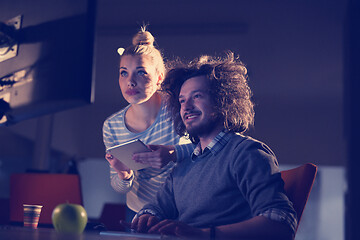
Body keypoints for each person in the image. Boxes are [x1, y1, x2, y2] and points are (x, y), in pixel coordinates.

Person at [131, 52, 298, 240]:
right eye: (182, 100)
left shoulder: (247, 153)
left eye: (197, 96)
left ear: (222, 101)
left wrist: (203, 234)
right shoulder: (184, 165)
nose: (186, 107)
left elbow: (282, 223)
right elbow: (156, 207)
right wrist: (147, 216)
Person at [102, 27, 193, 216]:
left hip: (182, 210)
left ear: (160, 77)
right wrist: (123, 174)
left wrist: (173, 153)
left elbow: (209, 151)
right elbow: (120, 187)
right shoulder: (111, 126)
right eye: (124, 73)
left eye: (141, 72)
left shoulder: (179, 108)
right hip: (139, 212)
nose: (130, 82)